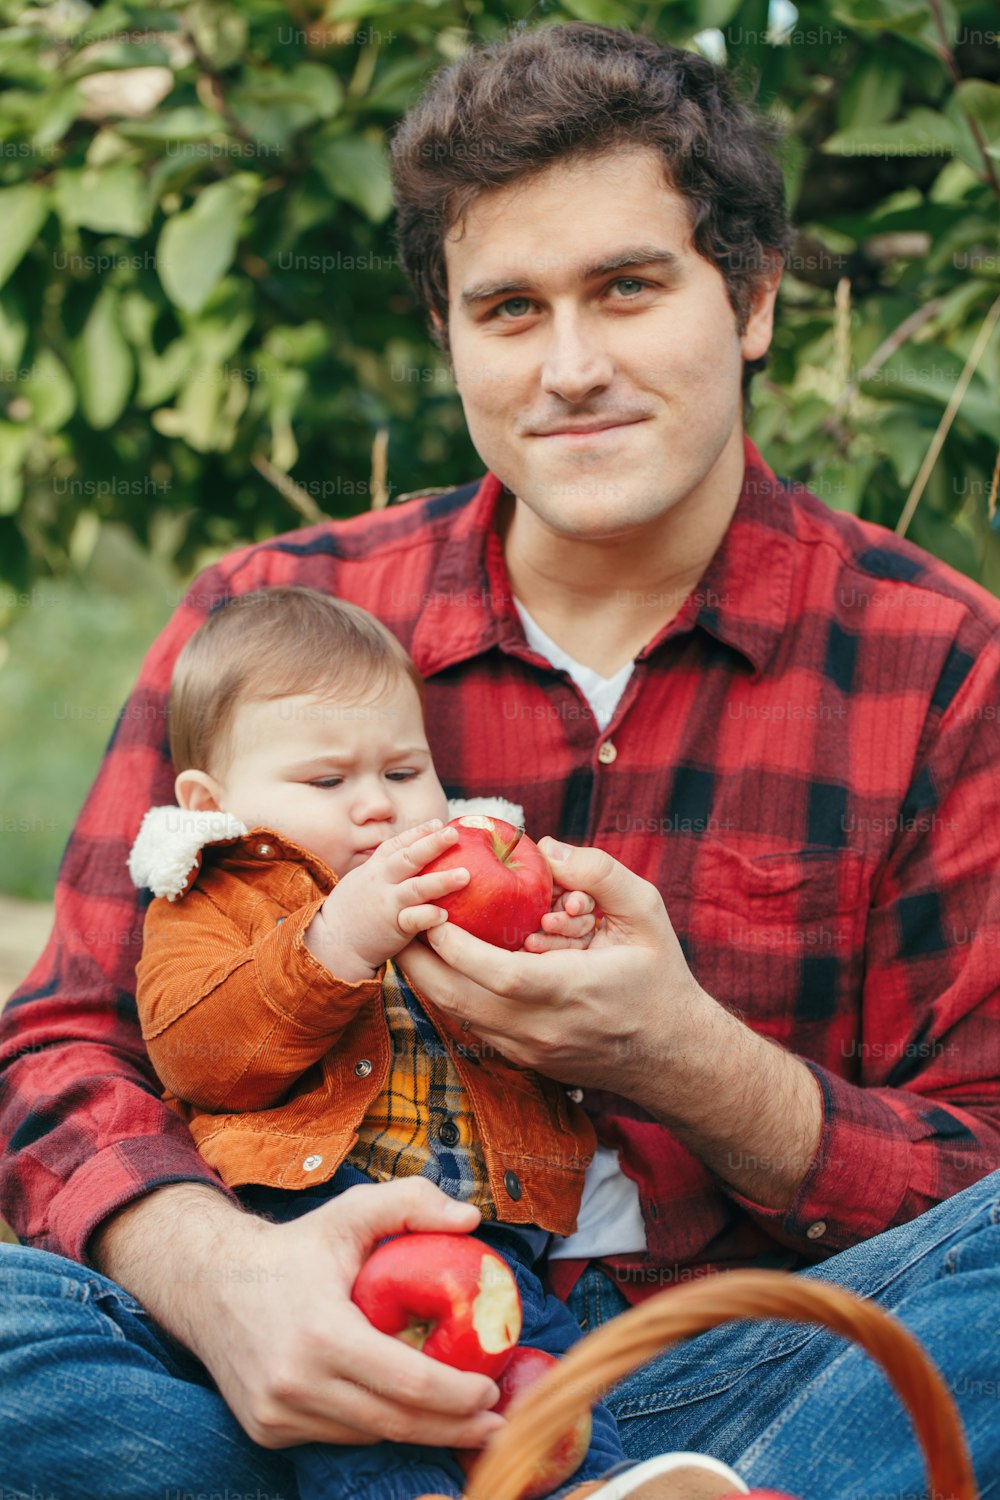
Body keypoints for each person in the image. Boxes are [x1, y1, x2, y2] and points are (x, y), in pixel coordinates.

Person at [1, 20, 999, 1500]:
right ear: (450, 337)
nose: (573, 367)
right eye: (511, 308)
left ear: (756, 301)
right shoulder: (279, 625)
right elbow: (59, 1049)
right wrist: (227, 1287)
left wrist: (695, 1063)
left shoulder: (940, 667)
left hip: (750, 1382)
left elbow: (974, 1170)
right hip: (334, 1359)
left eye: (628, 287)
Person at [124, 583, 622, 1499]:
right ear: (213, 798)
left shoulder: (462, 876)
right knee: (367, 1418)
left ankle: (620, 1486)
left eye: (402, 773)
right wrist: (333, 944)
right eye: (326, 782)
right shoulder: (209, 895)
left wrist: (556, 947)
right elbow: (200, 1058)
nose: (377, 809)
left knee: (551, 1384)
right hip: (309, 1226)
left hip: (483, 1228)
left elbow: (548, 1043)